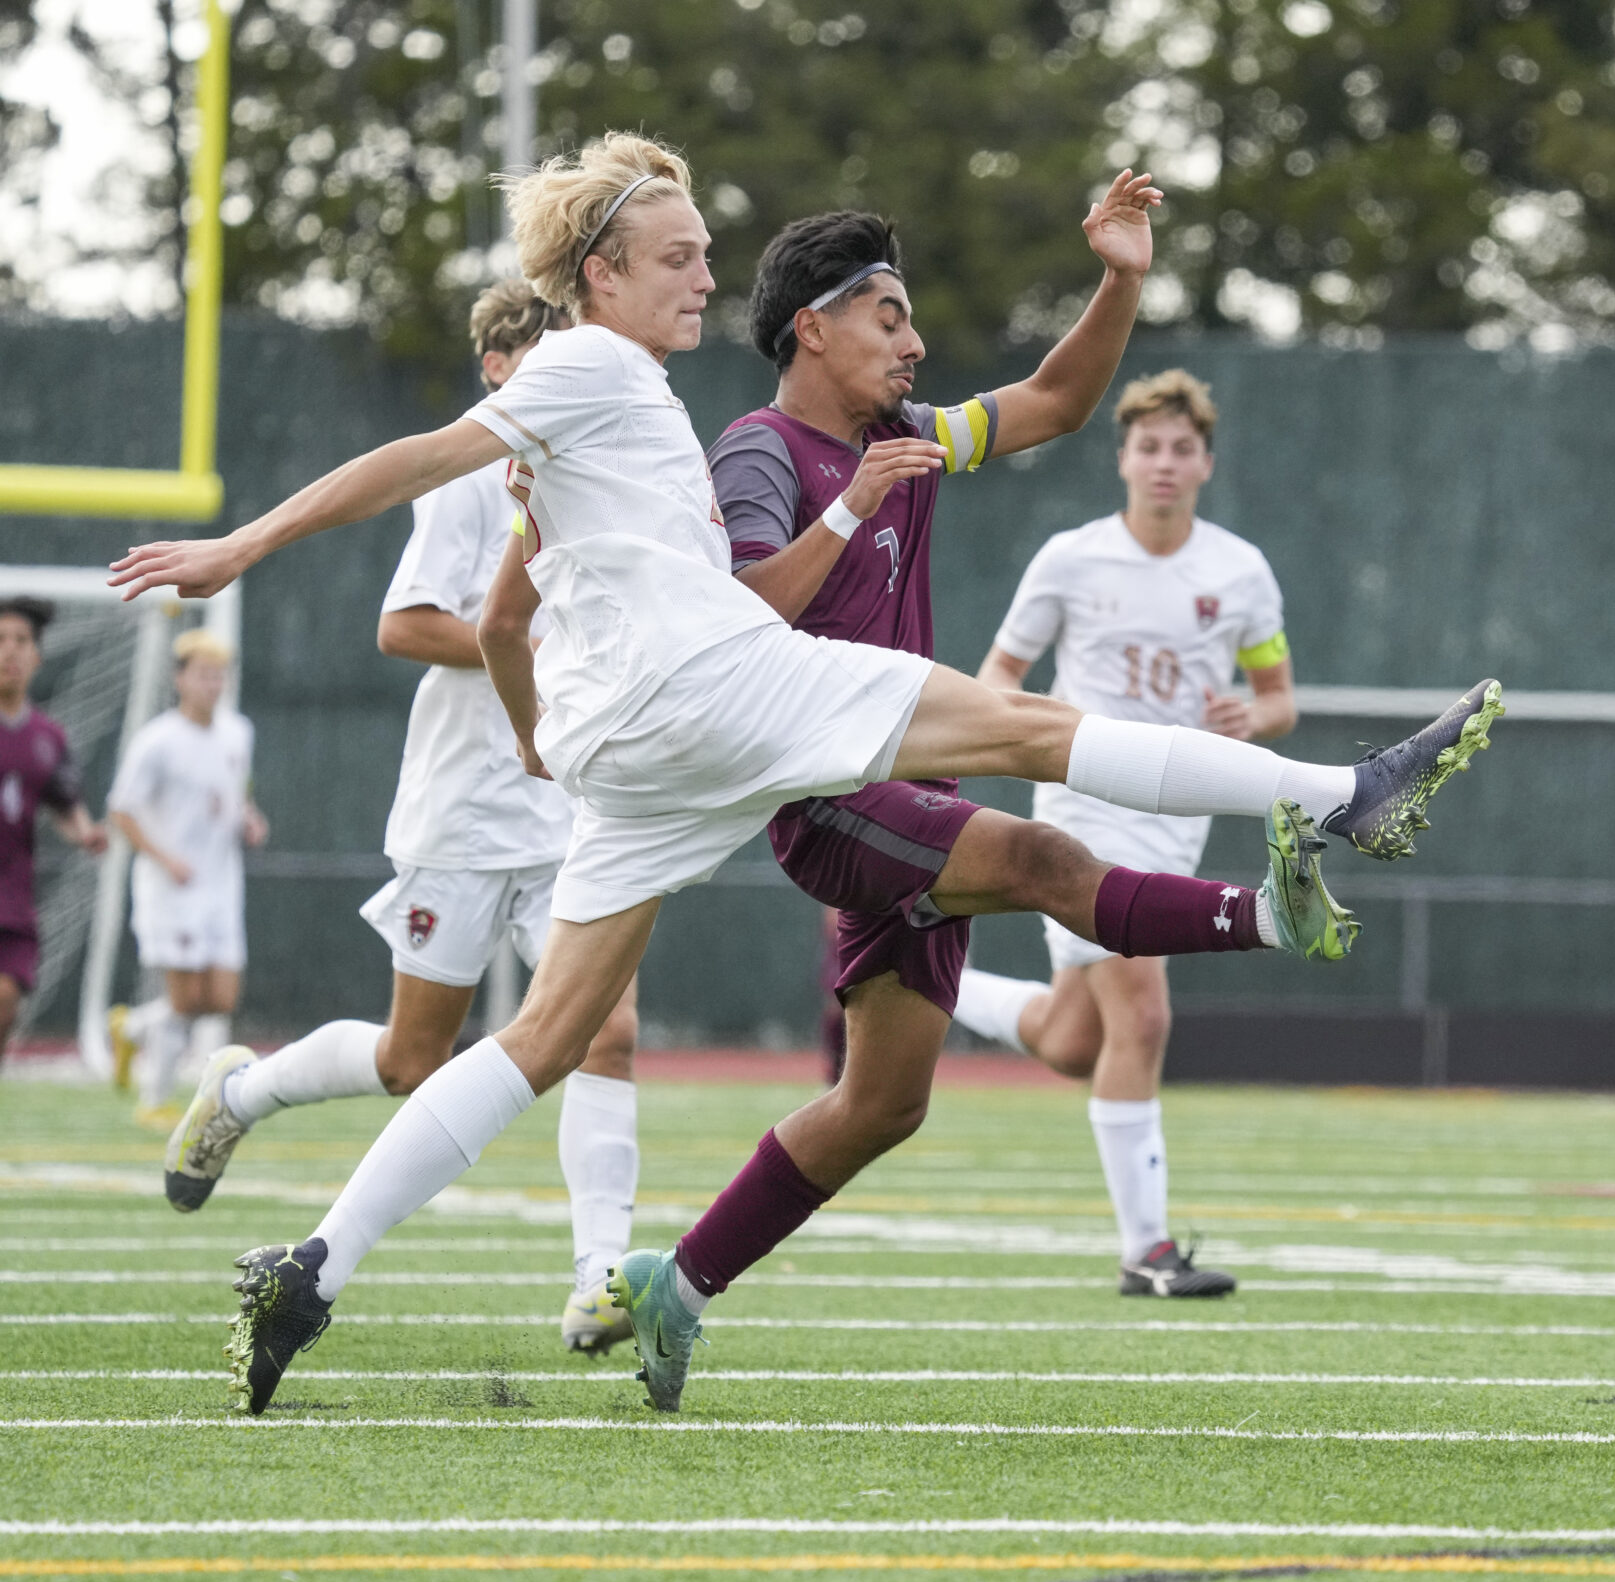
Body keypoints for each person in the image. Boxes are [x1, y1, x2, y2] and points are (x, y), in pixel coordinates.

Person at [105, 132, 1502, 1415]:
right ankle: (1340, 797)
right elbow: (423, 458)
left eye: (709, 252)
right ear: (601, 273)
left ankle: (312, 1265)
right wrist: (240, 548)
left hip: (637, 750)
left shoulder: (633, 407)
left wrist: (543, 733)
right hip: (716, 693)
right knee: (1028, 745)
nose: (706, 272)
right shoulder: (601, 368)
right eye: (680, 253)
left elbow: (520, 601)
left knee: (540, 1040)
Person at [154, 280, 646, 1356]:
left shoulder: (599, 469)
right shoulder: (470, 480)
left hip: (568, 805)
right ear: (495, 372)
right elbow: (403, 625)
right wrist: (531, 648)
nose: (543, 378)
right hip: (465, 805)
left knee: (606, 1029)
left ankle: (600, 1279)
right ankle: (241, 1088)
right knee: (409, 1060)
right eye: (523, 359)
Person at [952, 370, 1292, 1299]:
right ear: (1123, 459)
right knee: (1142, 1013)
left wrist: (1252, 720)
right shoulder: (1070, 558)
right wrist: (1016, 740)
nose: (1165, 463)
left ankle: (936, 982)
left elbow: (1278, 697)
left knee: (1075, 1038)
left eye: (1182, 448)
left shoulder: (1240, 571)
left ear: (1206, 463)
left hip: (1176, 817)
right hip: (1079, 805)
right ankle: (1146, 1252)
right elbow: (1001, 671)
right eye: (1149, 446)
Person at [105, 629, 264, 1121]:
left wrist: (249, 817)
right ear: (180, 679)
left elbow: (236, 791)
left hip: (221, 884)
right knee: (183, 995)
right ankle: (155, 1102)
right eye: (203, 675)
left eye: (219, 675)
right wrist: (166, 858)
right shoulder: (157, 741)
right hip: (171, 888)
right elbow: (122, 810)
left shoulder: (239, 732)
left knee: (218, 999)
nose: (212, 684)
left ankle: (131, 1029)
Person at [0, 597, 110, 1061]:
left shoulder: (48, 737)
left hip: (14, 903)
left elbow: (65, 804)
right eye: (1, 641)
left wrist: (85, 832)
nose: (9, 651)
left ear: (37, 656)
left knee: (5, 1004)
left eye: (20, 642)